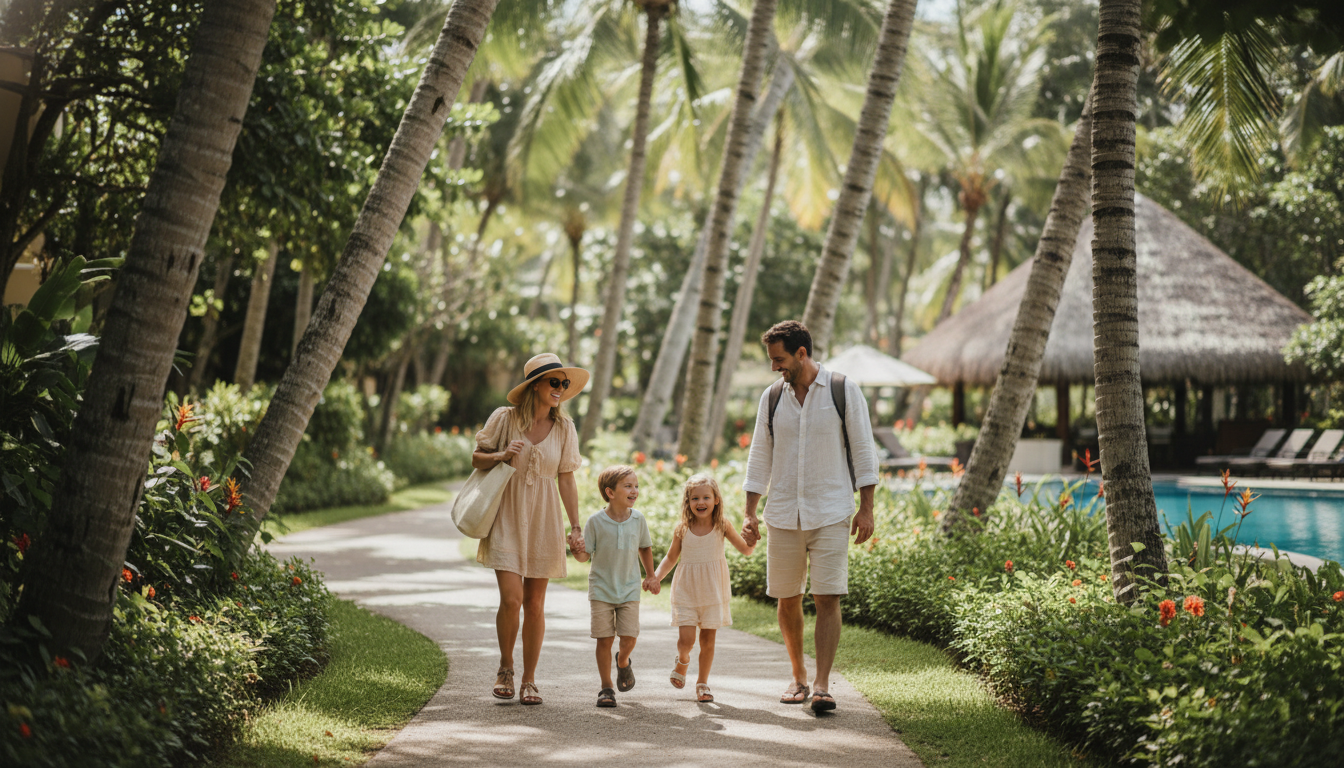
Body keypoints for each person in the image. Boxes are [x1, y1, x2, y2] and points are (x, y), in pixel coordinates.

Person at [740, 320, 878, 713]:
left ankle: (822, 685)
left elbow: (864, 450)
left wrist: (867, 508)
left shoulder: (843, 389)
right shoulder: (772, 397)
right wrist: (750, 512)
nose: (774, 367)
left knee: (827, 596)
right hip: (783, 512)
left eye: (779, 359)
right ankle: (798, 676)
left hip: (831, 510)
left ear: (802, 353)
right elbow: (759, 456)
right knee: (787, 598)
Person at [472, 352, 589, 705]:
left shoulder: (565, 428)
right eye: (554, 382)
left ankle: (529, 680)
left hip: (544, 519)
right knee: (512, 599)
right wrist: (502, 455)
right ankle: (506, 668)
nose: (560, 388)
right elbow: (477, 458)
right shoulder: (504, 419)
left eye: (564, 383)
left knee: (535, 604)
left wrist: (576, 526)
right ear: (535, 385)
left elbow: (566, 479)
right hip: (507, 514)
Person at [646, 473, 755, 703]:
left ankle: (702, 683)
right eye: (695, 498)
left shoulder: (722, 525)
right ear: (688, 502)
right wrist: (655, 577)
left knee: (707, 641)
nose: (701, 502)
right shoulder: (682, 529)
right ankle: (683, 660)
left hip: (713, 592)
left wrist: (752, 540)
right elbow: (670, 558)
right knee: (686, 641)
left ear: (716, 500)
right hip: (687, 591)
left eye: (706, 497)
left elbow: (745, 550)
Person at [572, 464, 655, 708]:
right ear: (610, 492)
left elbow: (645, 547)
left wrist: (651, 575)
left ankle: (623, 661)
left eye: (636, 486)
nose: (634, 490)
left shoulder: (638, 519)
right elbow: (585, 555)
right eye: (628, 486)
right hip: (602, 589)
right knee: (604, 639)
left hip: (629, 588)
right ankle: (606, 687)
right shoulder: (595, 521)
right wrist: (576, 550)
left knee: (629, 637)